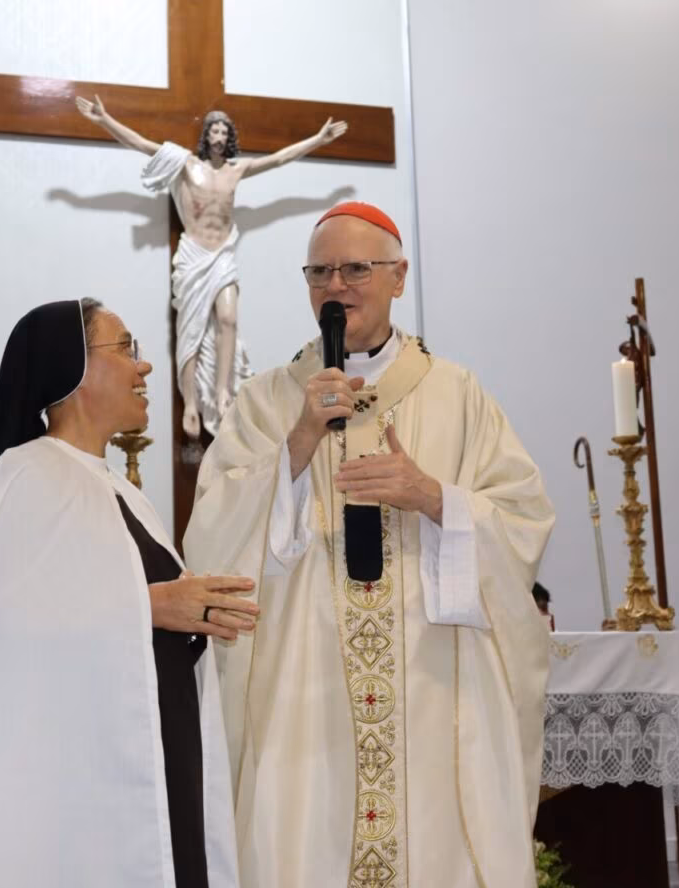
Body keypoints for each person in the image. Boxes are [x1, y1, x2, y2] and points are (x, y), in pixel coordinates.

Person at [184, 202, 556, 888]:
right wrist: (295, 448)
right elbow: (211, 534)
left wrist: (433, 496)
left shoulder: (458, 395)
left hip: (431, 688)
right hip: (302, 704)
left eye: (357, 268)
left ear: (399, 277)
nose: (336, 286)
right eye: (319, 271)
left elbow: (524, 517)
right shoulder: (268, 401)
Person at [0, 299, 258, 888]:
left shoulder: (128, 497)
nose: (144, 367)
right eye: (125, 348)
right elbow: (12, 634)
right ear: (71, 366)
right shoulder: (27, 476)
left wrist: (195, 610)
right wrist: (153, 606)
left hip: (164, 750)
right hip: (86, 794)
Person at [75, 95, 347, 438]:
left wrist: (318, 140)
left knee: (229, 320)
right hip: (194, 255)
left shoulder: (237, 169)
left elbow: (278, 159)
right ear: (206, 136)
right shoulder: (187, 165)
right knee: (190, 331)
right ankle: (190, 401)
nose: (218, 136)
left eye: (223, 131)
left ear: (229, 137)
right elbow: (142, 145)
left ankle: (222, 391)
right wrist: (104, 119)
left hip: (222, 256)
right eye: (214, 130)